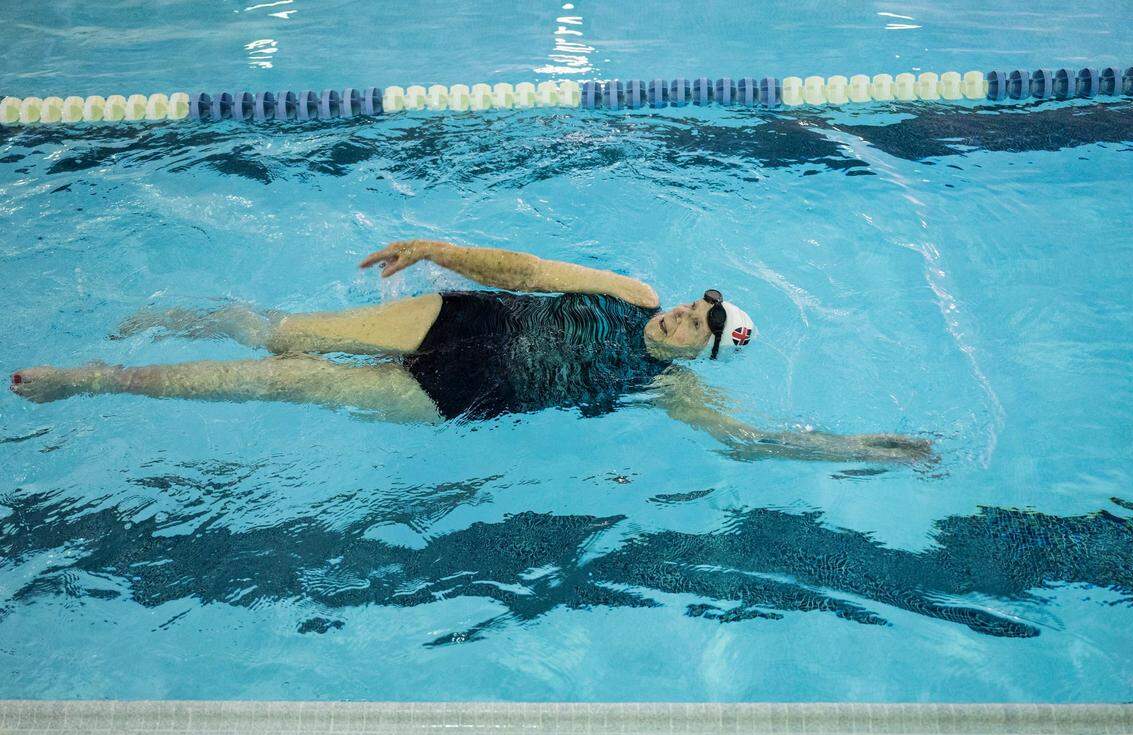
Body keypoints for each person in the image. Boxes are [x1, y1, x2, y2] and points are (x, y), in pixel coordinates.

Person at [10, 240, 931, 463]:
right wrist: (438, 247)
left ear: (701, 356)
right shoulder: (635, 294)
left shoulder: (669, 392)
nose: (681, 316)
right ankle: (176, 324)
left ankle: (94, 382)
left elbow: (752, 444)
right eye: (695, 303)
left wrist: (860, 452)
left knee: (279, 387)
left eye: (697, 324)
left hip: (463, 400)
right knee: (287, 335)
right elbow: (527, 270)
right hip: (457, 324)